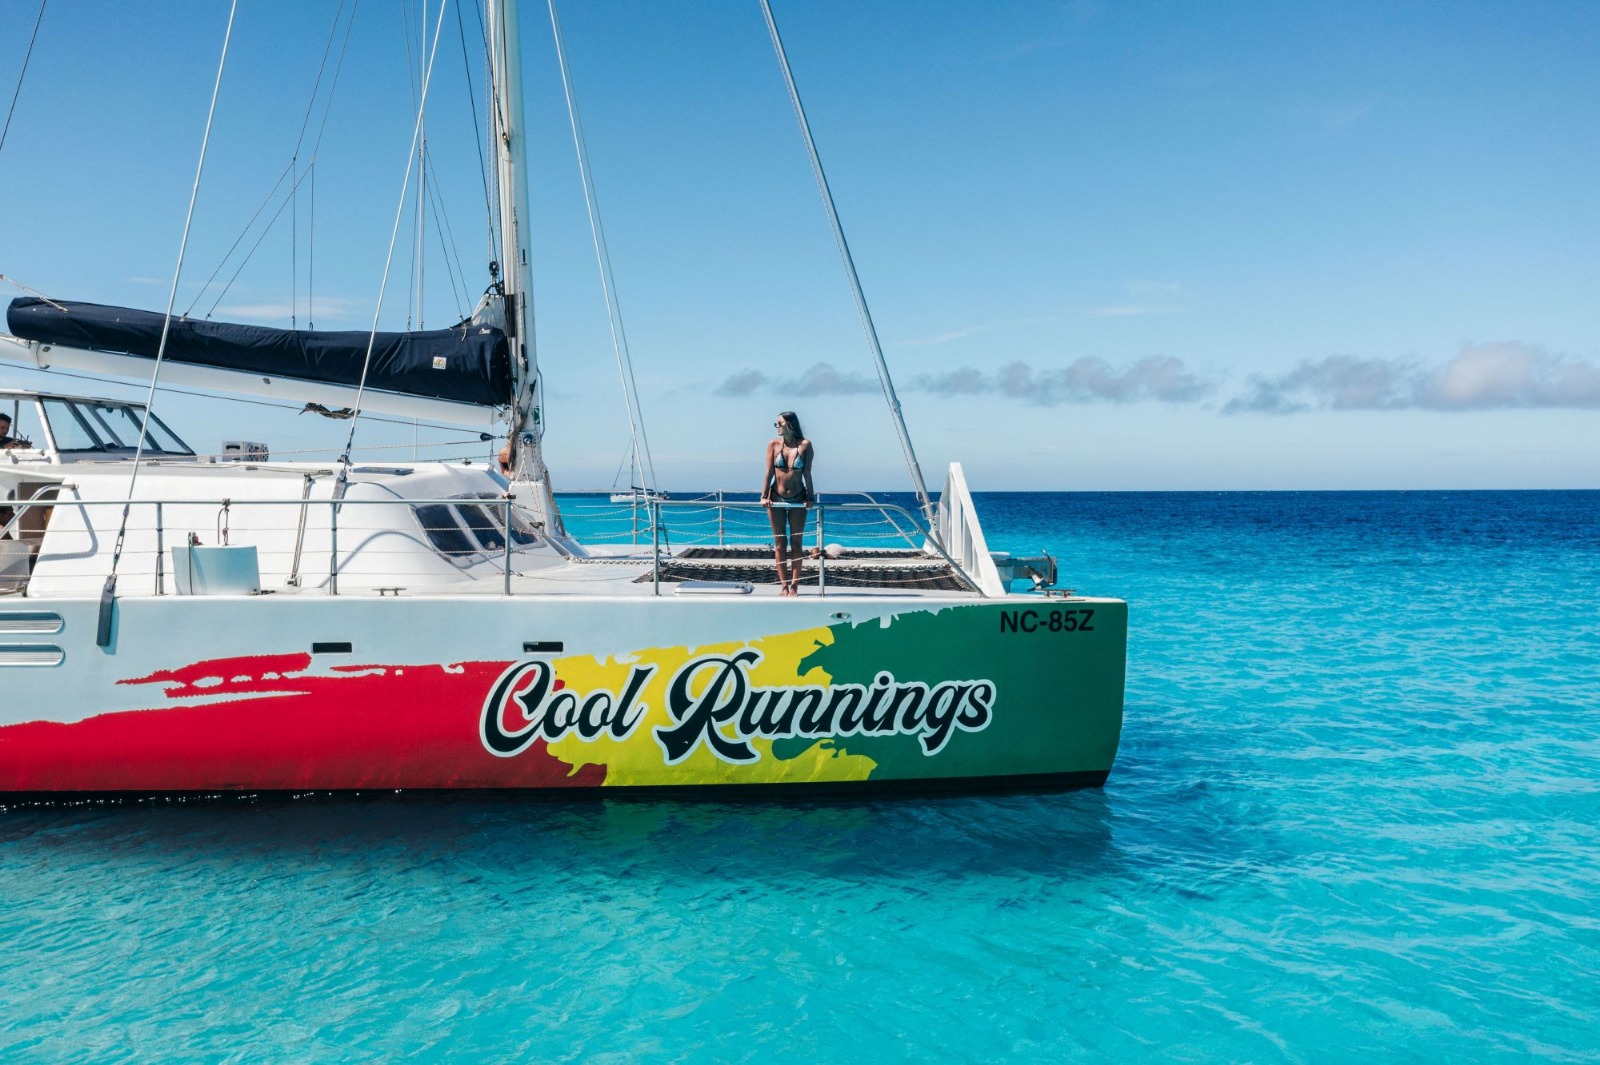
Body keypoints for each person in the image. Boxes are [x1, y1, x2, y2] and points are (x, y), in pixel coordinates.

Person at [761, 411, 814, 596]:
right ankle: (783, 585)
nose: (777, 427)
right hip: (776, 497)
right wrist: (763, 496)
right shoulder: (773, 445)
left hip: (798, 497)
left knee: (797, 543)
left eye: (779, 423)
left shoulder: (805, 445)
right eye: (776, 423)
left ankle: (794, 586)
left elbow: (807, 473)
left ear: (790, 424)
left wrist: (811, 497)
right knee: (779, 544)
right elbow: (768, 473)